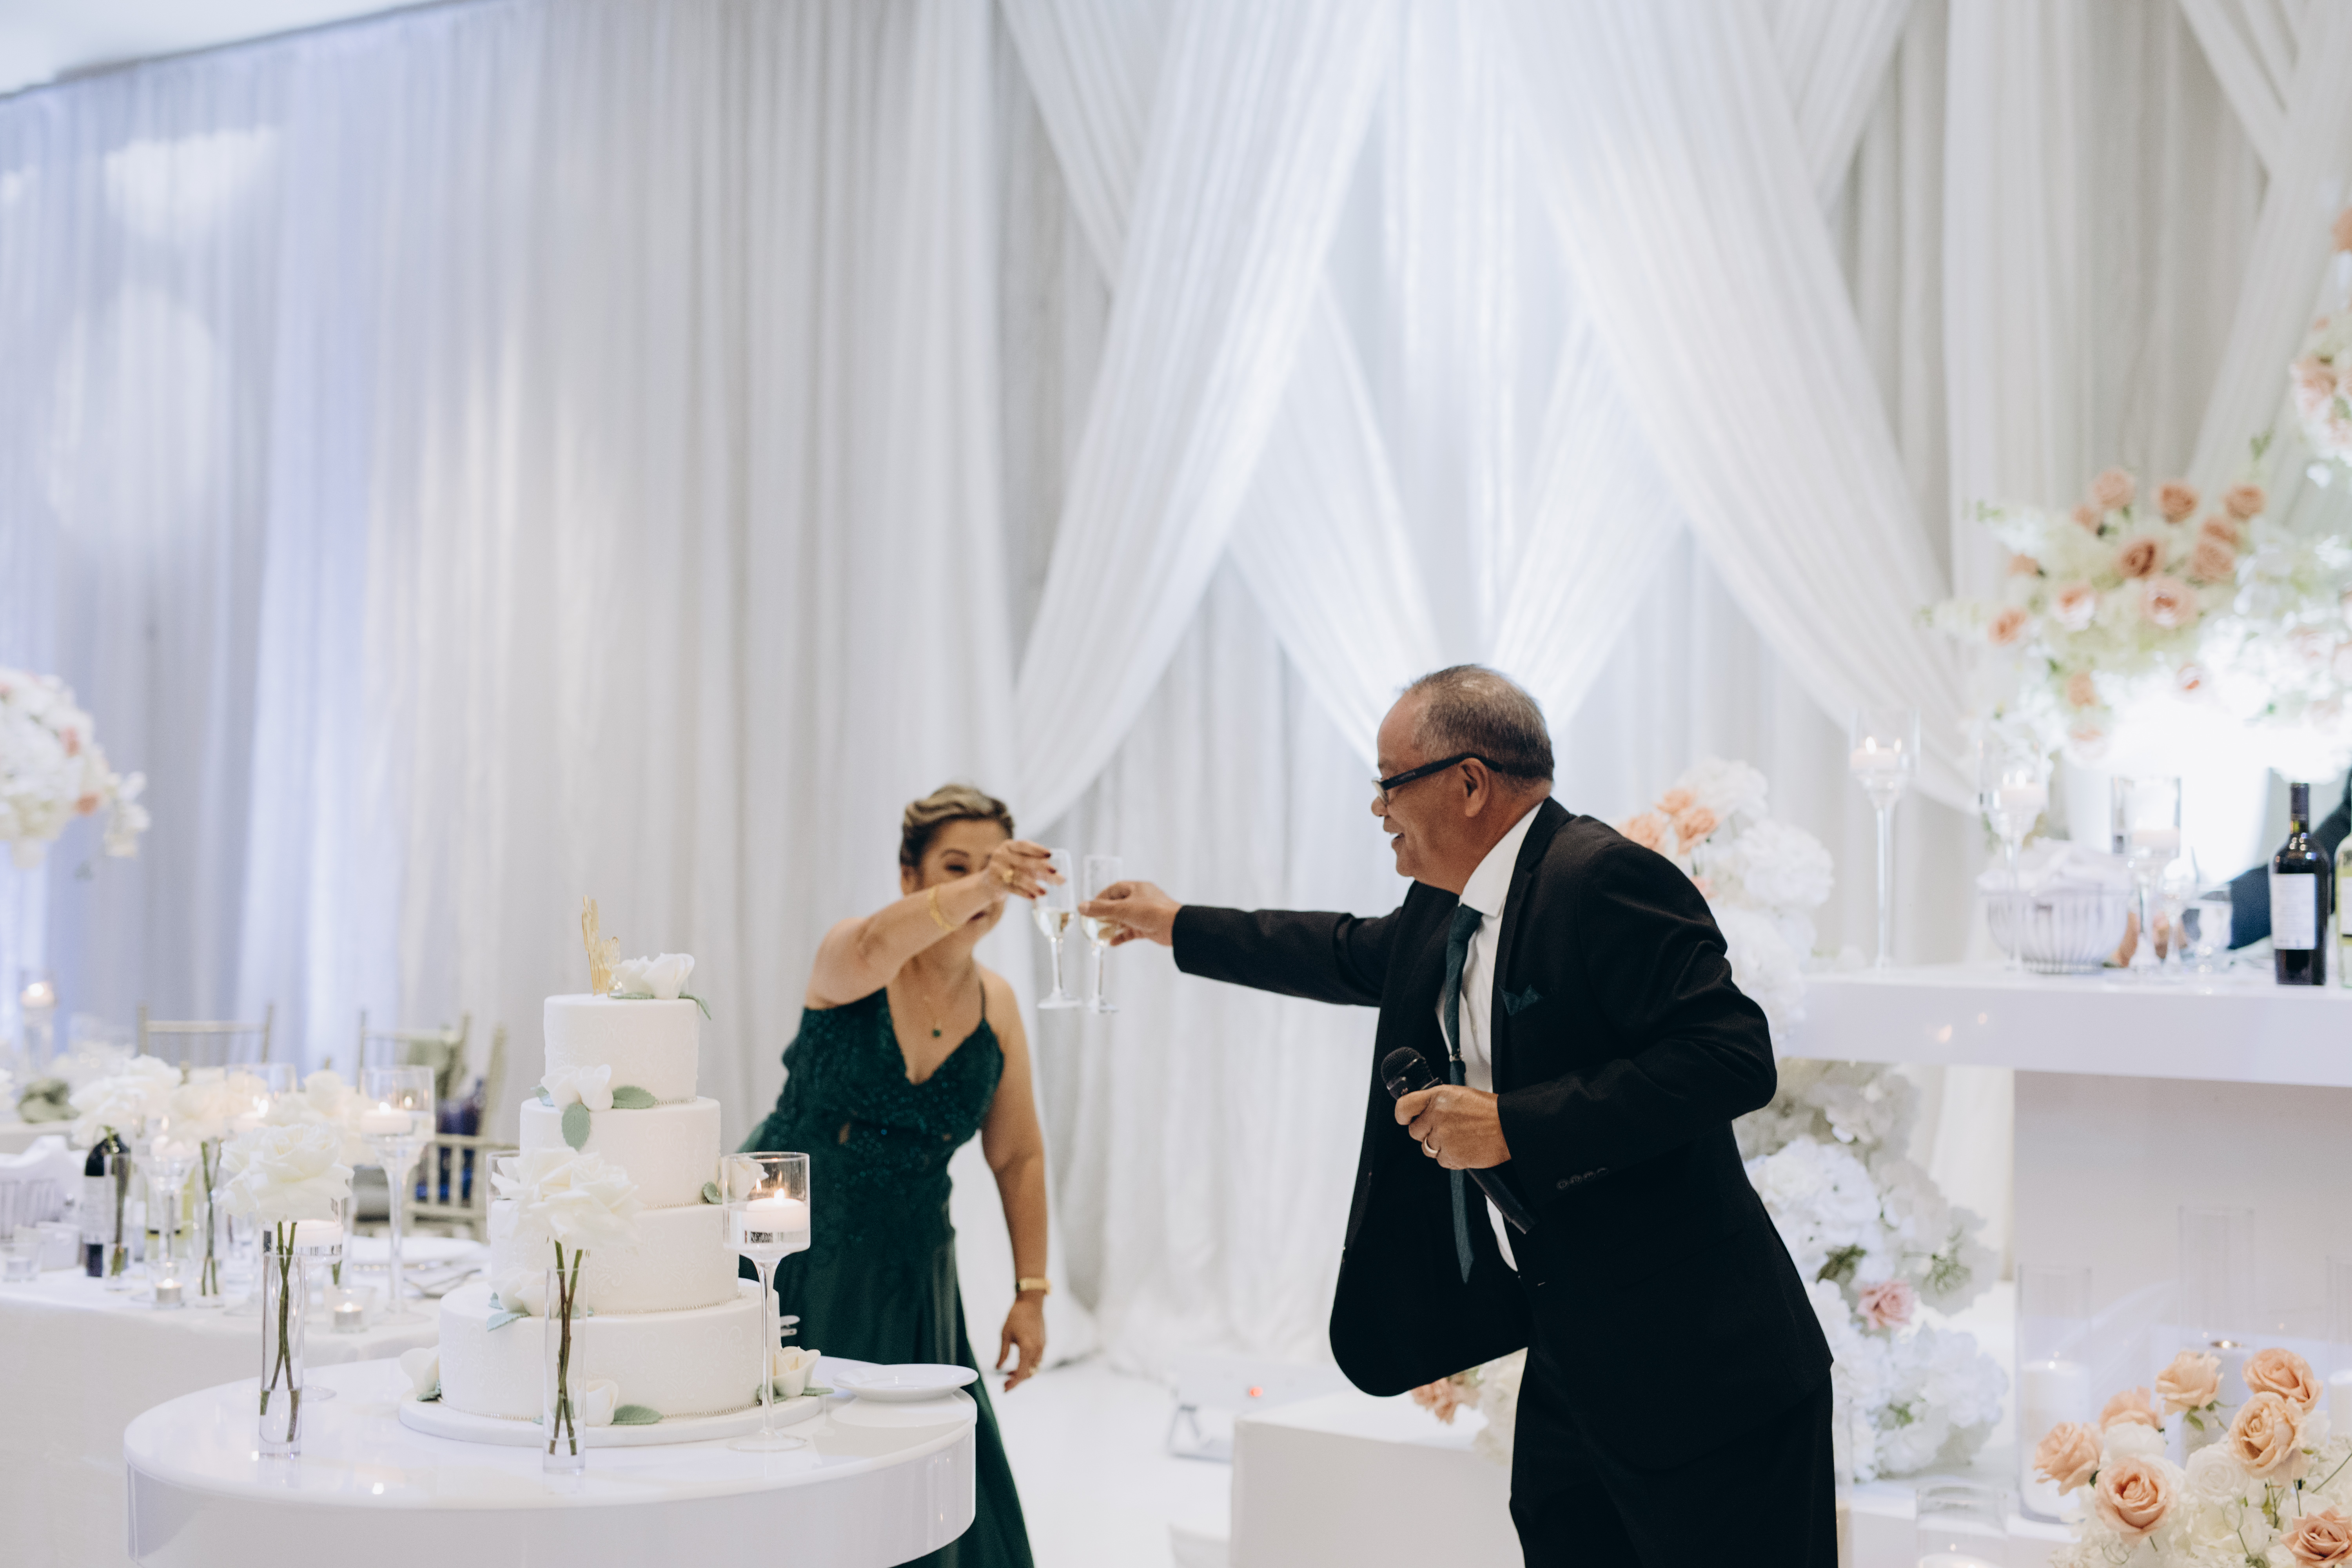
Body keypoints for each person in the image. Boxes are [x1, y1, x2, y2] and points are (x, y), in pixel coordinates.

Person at [1082, 667, 1834, 1567]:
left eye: (1390, 782)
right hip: (1569, 1360)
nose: (1378, 809)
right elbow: (1340, 950)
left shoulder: (1604, 877)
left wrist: (1516, 1122)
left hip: (1704, 1373)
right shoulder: (1448, 904)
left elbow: (1731, 1056)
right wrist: (1176, 922)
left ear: (1470, 782)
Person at [744, 783, 1057, 1568]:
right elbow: (877, 945)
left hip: (911, 1267)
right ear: (910, 876)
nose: (981, 884)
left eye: (996, 869)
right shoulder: (852, 954)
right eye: (957, 866)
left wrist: (1032, 1291)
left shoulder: (999, 1005)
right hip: (788, 1237)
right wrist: (986, 882)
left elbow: (1017, 1154)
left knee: (912, 1482)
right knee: (786, 1460)